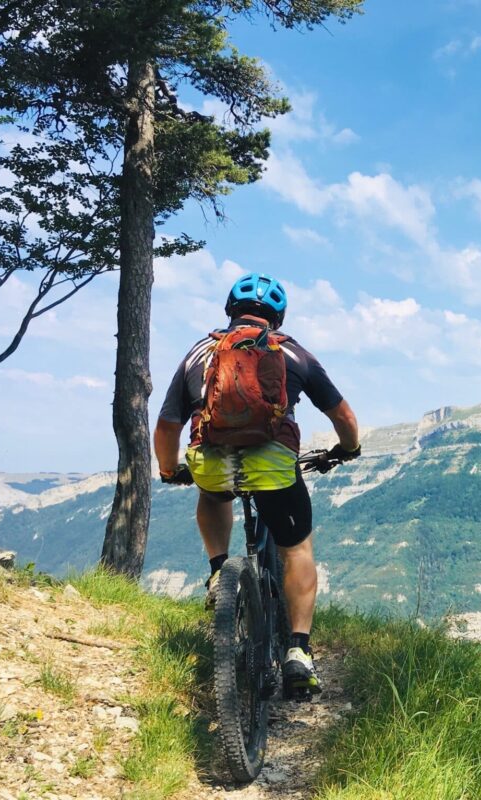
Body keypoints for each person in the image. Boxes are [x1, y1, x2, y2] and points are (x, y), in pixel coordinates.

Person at [154, 272, 360, 696]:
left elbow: (167, 424)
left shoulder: (200, 353)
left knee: (212, 494)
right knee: (296, 547)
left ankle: (218, 572)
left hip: (212, 461)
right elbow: (344, 418)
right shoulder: (293, 354)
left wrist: (169, 469)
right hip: (273, 466)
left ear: (230, 309)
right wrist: (346, 449)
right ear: (278, 317)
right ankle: (299, 652)